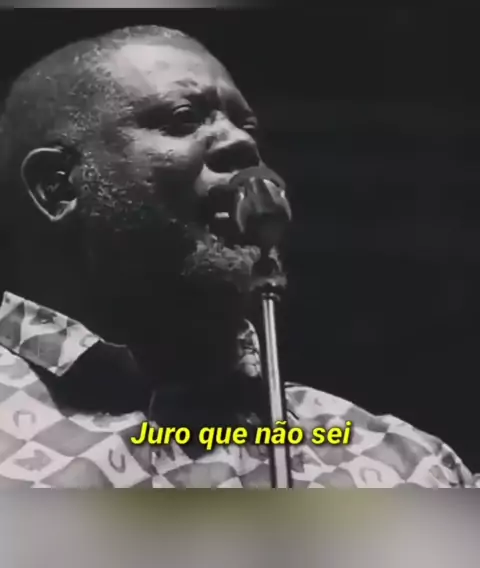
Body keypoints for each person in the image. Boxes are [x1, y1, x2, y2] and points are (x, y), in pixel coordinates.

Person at [0, 24, 476, 488]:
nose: (243, 143)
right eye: (184, 118)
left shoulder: (408, 467)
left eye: (246, 126)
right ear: (58, 186)